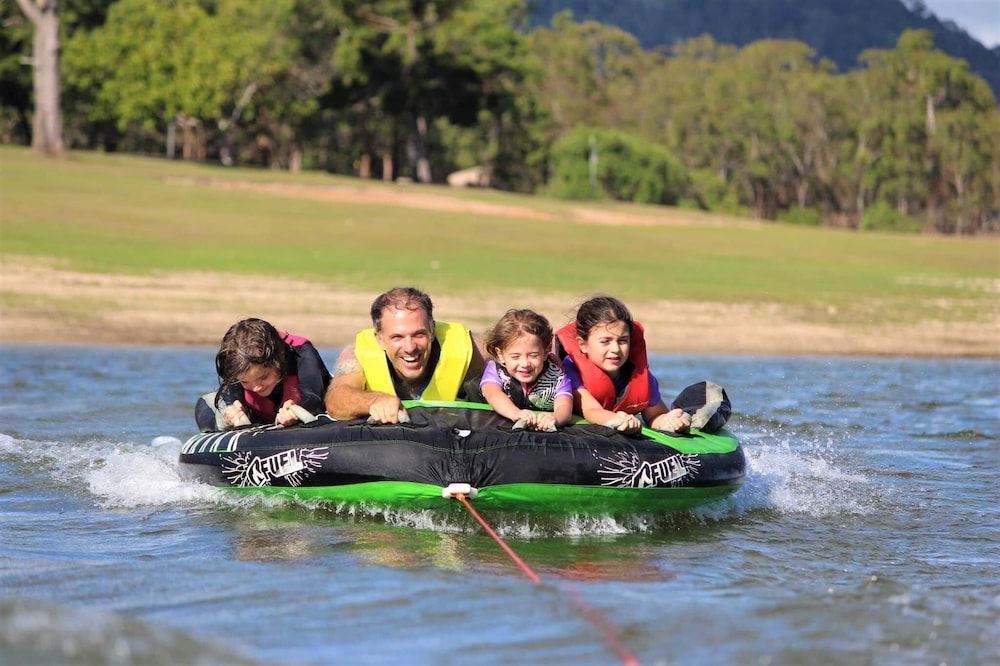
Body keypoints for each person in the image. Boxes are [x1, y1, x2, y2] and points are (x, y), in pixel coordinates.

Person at [556, 295, 731, 435]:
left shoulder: (640, 377)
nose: (615, 349)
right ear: (582, 344)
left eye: (622, 341)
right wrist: (619, 420)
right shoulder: (569, 371)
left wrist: (670, 421)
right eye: (605, 341)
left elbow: (654, 415)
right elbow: (591, 410)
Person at [324, 287, 488, 423]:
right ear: (379, 339)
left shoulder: (470, 349)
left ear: (432, 330)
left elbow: (510, 351)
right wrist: (374, 401)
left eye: (419, 334)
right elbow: (336, 399)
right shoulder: (358, 355)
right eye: (397, 337)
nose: (410, 348)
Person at [195, 318, 332, 431]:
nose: (256, 388)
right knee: (213, 407)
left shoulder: (303, 354)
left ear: (279, 359)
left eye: (263, 377)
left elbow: (313, 397)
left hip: (307, 413)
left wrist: (297, 411)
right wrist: (231, 413)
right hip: (257, 418)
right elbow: (229, 398)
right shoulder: (235, 368)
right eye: (245, 382)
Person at [480, 309, 573, 431]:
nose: (525, 364)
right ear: (501, 354)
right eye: (515, 356)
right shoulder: (496, 370)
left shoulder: (557, 377)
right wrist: (515, 413)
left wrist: (555, 418)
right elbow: (492, 394)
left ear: (546, 351)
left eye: (533, 355)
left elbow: (565, 405)